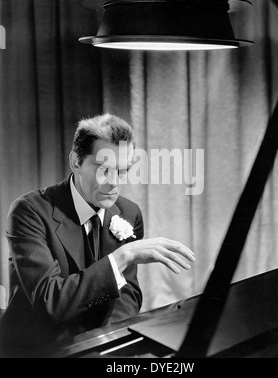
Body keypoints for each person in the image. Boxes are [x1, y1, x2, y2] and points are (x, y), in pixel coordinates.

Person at [0, 114, 195, 357]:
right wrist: (123, 256)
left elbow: (127, 296)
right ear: (76, 162)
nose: (114, 183)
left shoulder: (129, 212)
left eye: (122, 171)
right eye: (104, 169)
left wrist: (107, 347)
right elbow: (51, 301)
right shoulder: (29, 211)